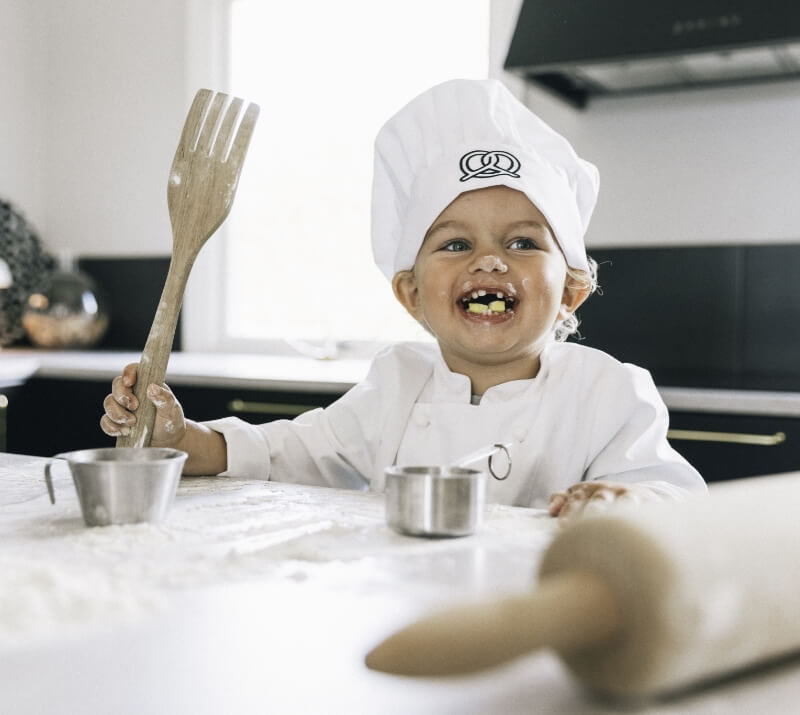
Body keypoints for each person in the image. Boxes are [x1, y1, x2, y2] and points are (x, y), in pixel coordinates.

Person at [101, 78, 706, 518]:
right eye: (455, 244)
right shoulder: (395, 386)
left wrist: (625, 502)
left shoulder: (608, 391)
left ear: (572, 288)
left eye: (522, 242)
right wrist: (183, 440)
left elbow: (676, 497)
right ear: (412, 294)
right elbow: (285, 454)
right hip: (404, 609)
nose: (489, 259)